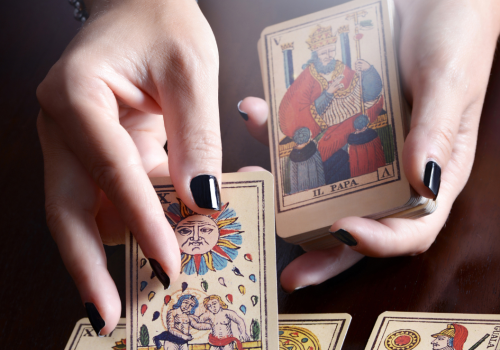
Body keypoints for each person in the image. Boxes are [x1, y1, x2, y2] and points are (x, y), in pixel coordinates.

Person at [36, 0, 500, 336]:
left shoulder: (351, 68)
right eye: (319, 57)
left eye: (326, 56)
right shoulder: (303, 83)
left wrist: (475, 9)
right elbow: (294, 118)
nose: (324, 60)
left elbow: (365, 99)